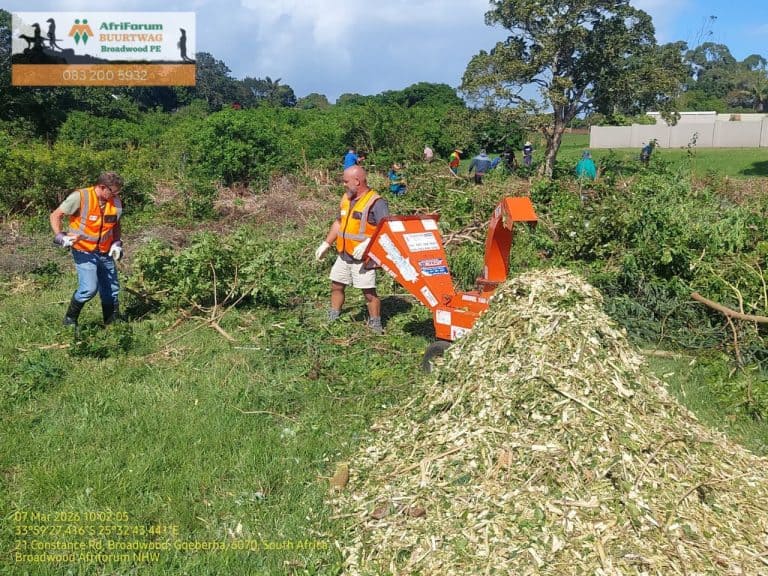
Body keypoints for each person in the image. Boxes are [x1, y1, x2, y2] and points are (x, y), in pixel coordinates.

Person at [314, 165, 390, 334]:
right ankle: (334, 315)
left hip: (363, 258)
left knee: (369, 293)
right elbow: (339, 223)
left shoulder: (376, 202)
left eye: (345, 181)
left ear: (357, 181)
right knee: (336, 285)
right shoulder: (346, 198)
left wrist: (368, 243)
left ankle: (376, 323)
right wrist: (326, 243)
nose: (343, 184)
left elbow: (386, 229)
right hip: (344, 254)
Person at [49, 172, 125, 327]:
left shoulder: (115, 201)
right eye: (113, 191)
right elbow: (55, 215)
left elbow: (115, 223)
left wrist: (116, 242)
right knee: (89, 289)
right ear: (102, 187)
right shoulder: (80, 197)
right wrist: (60, 236)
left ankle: (112, 323)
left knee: (112, 288)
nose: (115, 195)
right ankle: (70, 320)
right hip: (83, 250)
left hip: (105, 251)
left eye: (118, 192)